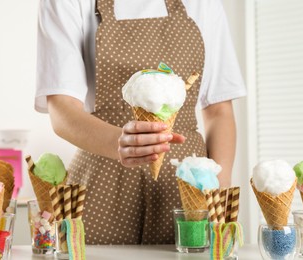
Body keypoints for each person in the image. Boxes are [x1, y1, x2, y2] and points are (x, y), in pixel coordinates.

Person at [35, 0, 246, 245]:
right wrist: (121, 142)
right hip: (102, 179)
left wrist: (218, 193)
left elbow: (219, 110)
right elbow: (62, 110)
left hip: (188, 180)